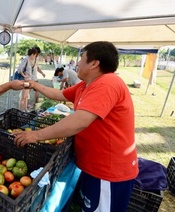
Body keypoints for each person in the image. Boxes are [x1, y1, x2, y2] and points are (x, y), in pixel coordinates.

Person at [14, 41, 138, 211]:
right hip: (95, 167)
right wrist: (34, 84)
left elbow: (80, 120)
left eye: (82, 58)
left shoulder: (107, 83)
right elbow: (58, 94)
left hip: (108, 172)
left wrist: (35, 135)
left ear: (94, 63)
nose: (77, 63)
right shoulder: (86, 85)